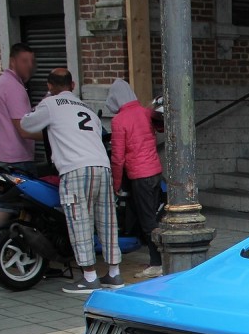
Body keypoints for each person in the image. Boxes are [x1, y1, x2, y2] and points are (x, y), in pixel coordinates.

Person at [18, 68, 122, 294]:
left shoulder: (51, 104)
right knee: (107, 221)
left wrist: (48, 98)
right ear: (73, 85)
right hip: (101, 167)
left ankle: (89, 277)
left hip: (75, 169)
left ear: (49, 86)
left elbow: (26, 125)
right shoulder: (87, 108)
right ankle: (114, 274)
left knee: (80, 221)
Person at [0, 42, 40, 269]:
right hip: (15, 158)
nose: (30, 66)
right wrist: (54, 136)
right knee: (12, 207)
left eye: (32, 61)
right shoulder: (14, 88)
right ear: (13, 61)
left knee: (7, 206)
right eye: (25, 61)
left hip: (0, 155)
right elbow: (23, 128)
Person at [106, 78, 164, 278]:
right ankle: (158, 259)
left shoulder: (119, 121)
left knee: (148, 222)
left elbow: (118, 157)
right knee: (153, 217)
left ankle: (157, 263)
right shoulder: (145, 112)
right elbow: (161, 127)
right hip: (155, 172)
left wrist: (115, 183)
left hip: (139, 176)